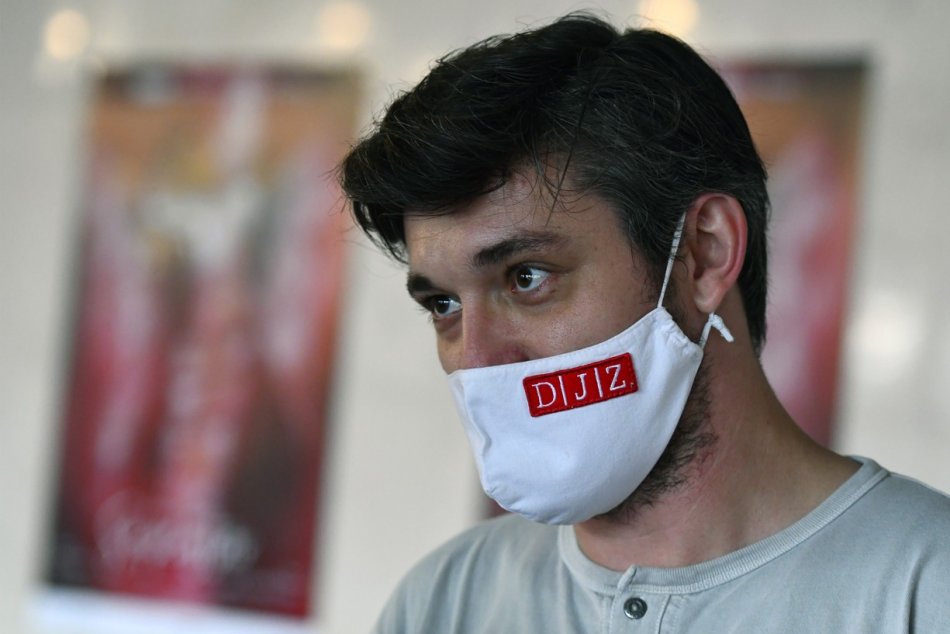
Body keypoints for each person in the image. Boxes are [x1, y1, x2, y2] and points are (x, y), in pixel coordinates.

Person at [339, 13, 950, 632]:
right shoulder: (444, 602)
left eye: (526, 277)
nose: (476, 359)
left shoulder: (923, 590)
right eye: (443, 304)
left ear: (704, 254)